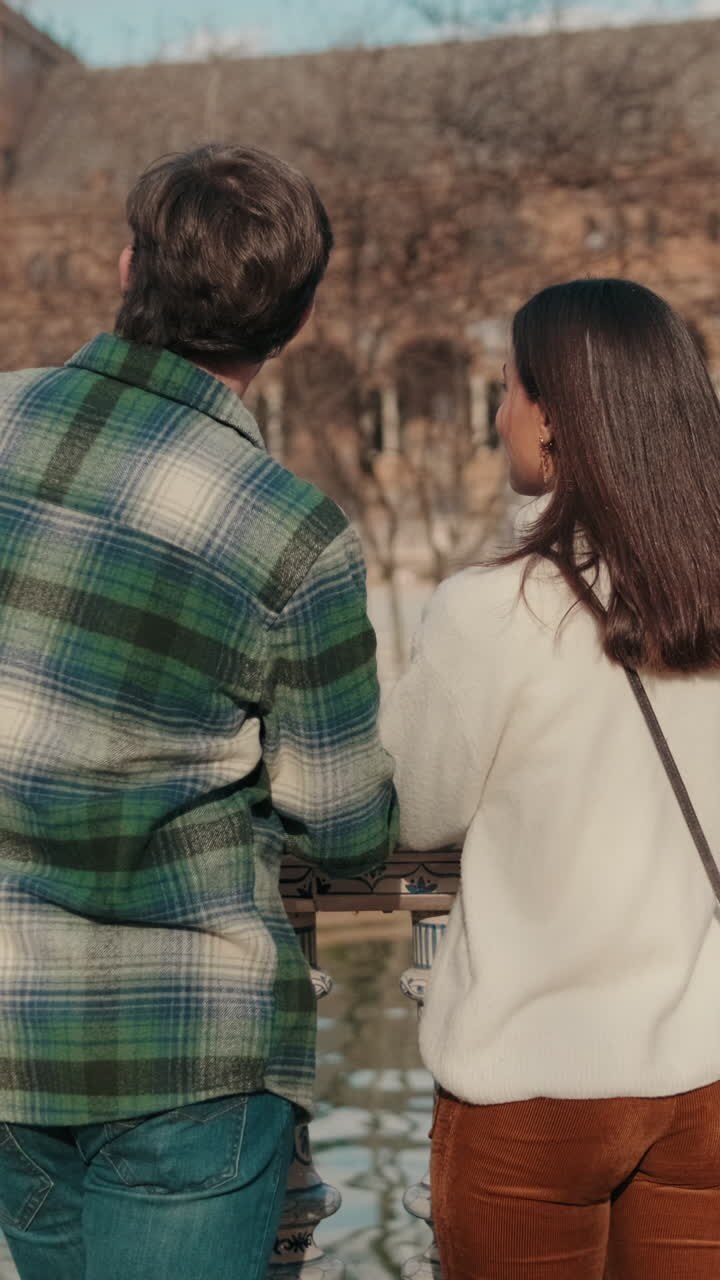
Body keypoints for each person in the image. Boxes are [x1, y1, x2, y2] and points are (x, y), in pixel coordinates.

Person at [0, 144, 398, 1280]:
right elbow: (348, 824)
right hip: (187, 1050)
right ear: (297, 323)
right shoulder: (289, 530)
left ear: (126, 264)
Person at [382, 278, 720, 1279]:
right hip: (706, 1072)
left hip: (533, 1085)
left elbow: (418, 804)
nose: (497, 417)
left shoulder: (493, 609)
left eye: (508, 390)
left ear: (559, 412)